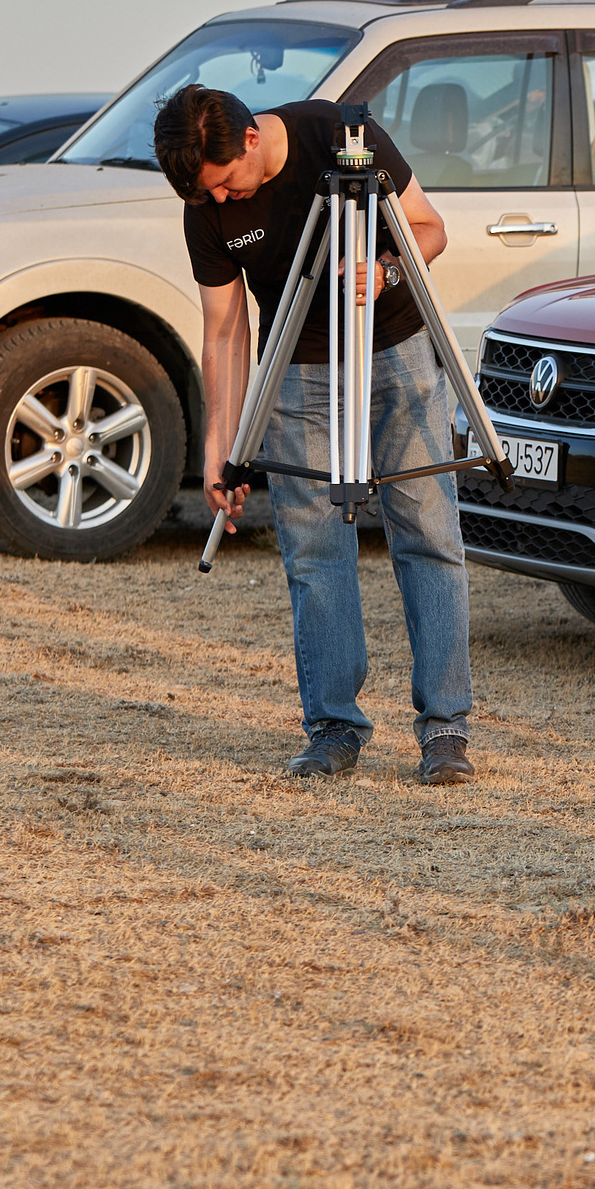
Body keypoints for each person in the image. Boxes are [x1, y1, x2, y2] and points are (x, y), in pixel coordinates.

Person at [154, 84, 477, 788]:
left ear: (247, 141)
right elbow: (225, 330)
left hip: (396, 349)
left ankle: (446, 728)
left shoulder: (338, 136)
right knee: (312, 549)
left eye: (223, 186)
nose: (218, 203)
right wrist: (219, 451)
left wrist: (385, 270)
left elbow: (428, 228)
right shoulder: (204, 207)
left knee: (426, 531)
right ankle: (332, 728)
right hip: (297, 369)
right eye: (203, 196)